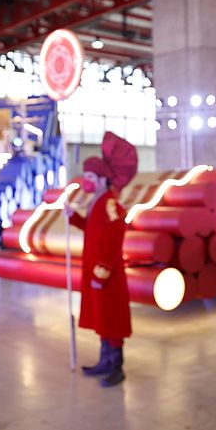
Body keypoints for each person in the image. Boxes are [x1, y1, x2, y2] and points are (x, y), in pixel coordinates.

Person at [65, 132, 138, 388]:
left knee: (112, 321)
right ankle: (104, 361)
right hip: (95, 274)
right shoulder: (97, 202)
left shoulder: (111, 204)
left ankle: (116, 367)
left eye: (89, 177)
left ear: (101, 178)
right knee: (103, 319)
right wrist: (74, 218)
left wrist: (102, 272)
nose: (85, 181)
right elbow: (93, 230)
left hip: (108, 277)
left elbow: (113, 239)